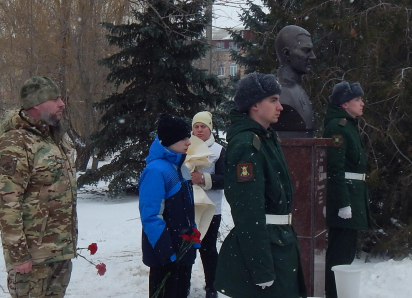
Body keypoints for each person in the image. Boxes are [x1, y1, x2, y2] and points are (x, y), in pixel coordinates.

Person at [214, 73, 307, 298]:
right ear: (254, 105)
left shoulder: (265, 138)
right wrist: (261, 267)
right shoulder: (247, 145)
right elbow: (248, 211)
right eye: (273, 100)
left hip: (279, 243)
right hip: (268, 246)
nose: (280, 107)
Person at [0, 76, 77, 298]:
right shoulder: (16, 143)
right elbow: (7, 203)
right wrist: (19, 254)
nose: (62, 103)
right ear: (36, 104)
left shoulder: (55, 139)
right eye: (55, 99)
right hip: (33, 259)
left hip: (60, 252)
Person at [139, 113, 198, 298]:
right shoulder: (156, 171)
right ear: (169, 141)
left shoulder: (182, 168)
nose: (188, 142)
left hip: (182, 251)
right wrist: (167, 253)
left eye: (188, 136)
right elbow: (151, 216)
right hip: (165, 255)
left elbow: (187, 208)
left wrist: (192, 234)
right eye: (183, 138)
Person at [323, 81, 371, 298]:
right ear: (344, 104)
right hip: (346, 198)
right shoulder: (338, 126)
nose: (362, 103)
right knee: (340, 256)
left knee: (345, 253)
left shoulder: (348, 125)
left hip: (353, 195)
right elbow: (336, 168)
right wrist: (343, 203)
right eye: (357, 100)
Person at [190, 111, 225, 298]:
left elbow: (225, 179)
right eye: (196, 126)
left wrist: (203, 178)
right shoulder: (185, 147)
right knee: (186, 248)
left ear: (209, 127)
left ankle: (212, 286)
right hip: (189, 207)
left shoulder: (218, 150)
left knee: (208, 248)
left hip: (211, 208)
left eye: (203, 126)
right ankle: (183, 283)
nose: (199, 130)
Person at [271, 25, 316, 137]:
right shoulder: (283, 94)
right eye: (306, 51)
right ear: (287, 54)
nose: (313, 56)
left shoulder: (296, 89)